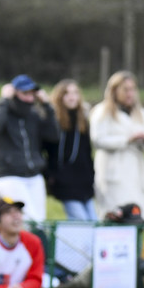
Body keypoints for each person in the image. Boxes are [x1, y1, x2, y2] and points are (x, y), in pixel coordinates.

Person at [0, 75, 58, 223]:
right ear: (13, 93)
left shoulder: (33, 115)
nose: (30, 98)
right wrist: (5, 100)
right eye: (25, 93)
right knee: (29, 219)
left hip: (33, 176)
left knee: (40, 221)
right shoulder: (0, 109)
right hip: (8, 175)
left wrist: (47, 106)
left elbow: (53, 135)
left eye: (32, 94)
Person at [90, 71, 144, 220]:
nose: (130, 94)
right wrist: (127, 140)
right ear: (114, 91)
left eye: (132, 89)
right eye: (125, 90)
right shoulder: (102, 112)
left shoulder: (141, 113)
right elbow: (98, 140)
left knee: (138, 215)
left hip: (136, 171)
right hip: (113, 172)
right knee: (116, 216)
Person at [47, 79, 97, 221]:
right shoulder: (53, 121)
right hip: (64, 181)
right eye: (67, 93)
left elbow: (87, 152)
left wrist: (91, 176)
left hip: (83, 180)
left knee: (94, 220)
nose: (72, 97)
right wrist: (53, 175)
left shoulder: (83, 120)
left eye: (75, 93)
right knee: (80, 220)